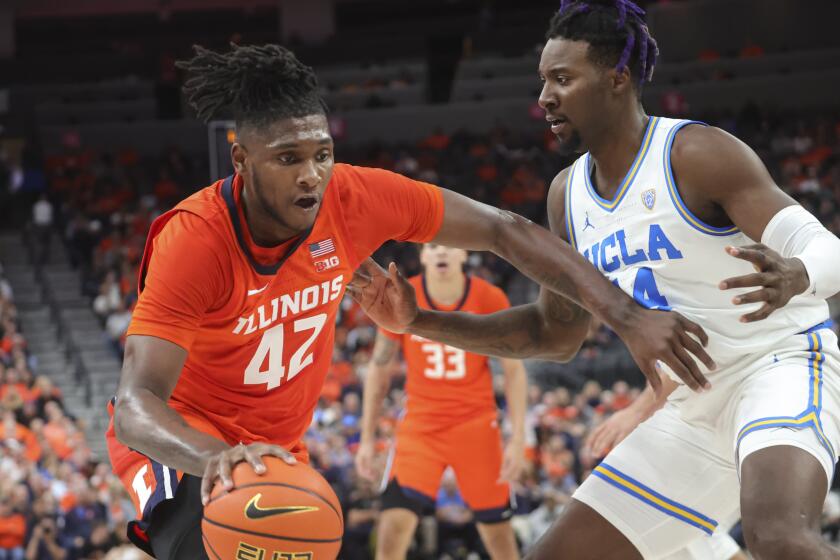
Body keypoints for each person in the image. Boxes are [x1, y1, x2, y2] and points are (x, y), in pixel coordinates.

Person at [105, 42, 709, 559]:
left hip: (274, 450)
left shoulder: (354, 198)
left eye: (321, 154)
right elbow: (136, 406)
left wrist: (624, 315)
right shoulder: (195, 239)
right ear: (242, 159)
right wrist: (216, 456)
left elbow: (504, 230)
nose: (311, 175)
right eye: (288, 159)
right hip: (188, 440)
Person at [347, 1, 840, 558]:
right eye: (542, 81)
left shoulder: (695, 153)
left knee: (779, 537)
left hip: (778, 365)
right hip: (693, 405)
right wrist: (419, 321)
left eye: (562, 78)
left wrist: (798, 273)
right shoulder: (568, 195)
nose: (544, 98)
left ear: (617, 77)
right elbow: (552, 335)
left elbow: (826, 249)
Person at [355, 243, 526, 559]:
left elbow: (514, 371)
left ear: (464, 255)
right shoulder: (404, 295)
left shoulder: (490, 298)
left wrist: (518, 440)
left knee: (500, 539)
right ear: (423, 255)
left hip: (476, 426)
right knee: (392, 530)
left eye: (451, 247)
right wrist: (367, 438)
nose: (442, 253)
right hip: (422, 425)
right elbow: (379, 367)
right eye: (434, 247)